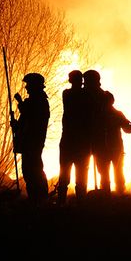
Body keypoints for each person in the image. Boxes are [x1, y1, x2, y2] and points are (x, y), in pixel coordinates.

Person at [12, 72, 50, 201]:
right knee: (29, 171)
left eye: (28, 85)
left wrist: (20, 103)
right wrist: (16, 125)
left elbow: (32, 118)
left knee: (33, 170)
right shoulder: (34, 102)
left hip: (33, 142)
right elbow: (25, 121)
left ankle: (39, 198)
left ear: (35, 86)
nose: (26, 87)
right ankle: (35, 198)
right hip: (28, 142)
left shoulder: (40, 102)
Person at [56, 70, 90, 202]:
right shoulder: (85, 95)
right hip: (82, 141)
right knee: (81, 173)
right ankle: (81, 202)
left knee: (64, 171)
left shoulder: (67, 94)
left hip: (68, 139)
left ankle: (61, 202)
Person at [83, 69, 112, 192]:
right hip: (89, 136)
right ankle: (103, 193)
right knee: (85, 167)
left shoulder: (103, 96)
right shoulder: (101, 95)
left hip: (97, 136)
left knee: (102, 167)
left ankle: (105, 192)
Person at [103, 92, 131, 195]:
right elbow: (127, 129)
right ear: (112, 101)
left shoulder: (98, 114)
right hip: (116, 146)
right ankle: (120, 191)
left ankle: (105, 192)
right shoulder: (117, 114)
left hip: (103, 147)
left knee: (104, 171)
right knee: (118, 170)